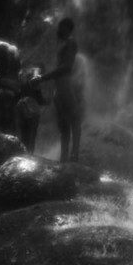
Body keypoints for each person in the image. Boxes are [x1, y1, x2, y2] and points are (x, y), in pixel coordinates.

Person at [39, 18, 83, 163]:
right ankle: (65, 158)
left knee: (74, 120)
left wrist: (43, 77)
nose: (58, 30)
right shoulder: (65, 43)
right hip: (61, 86)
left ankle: (73, 156)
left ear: (67, 28)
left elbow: (67, 67)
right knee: (66, 123)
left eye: (60, 27)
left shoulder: (70, 42)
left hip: (64, 85)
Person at [15, 66, 46, 154]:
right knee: (31, 135)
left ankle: (23, 153)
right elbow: (40, 100)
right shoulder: (35, 83)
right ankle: (29, 154)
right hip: (32, 112)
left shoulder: (22, 82)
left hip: (22, 109)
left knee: (24, 134)